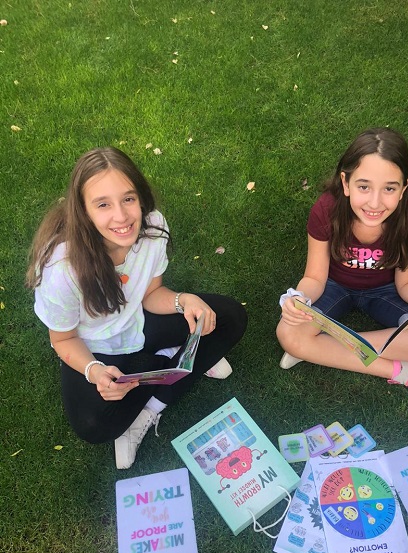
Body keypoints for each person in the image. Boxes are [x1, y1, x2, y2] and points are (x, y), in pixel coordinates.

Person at [27, 147, 247, 468]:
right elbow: (63, 340)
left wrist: (182, 300)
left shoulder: (153, 227)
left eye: (128, 199)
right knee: (93, 425)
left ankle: (154, 402)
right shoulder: (61, 268)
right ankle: (171, 360)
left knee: (230, 318)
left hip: (141, 321)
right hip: (96, 348)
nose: (121, 216)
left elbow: (151, 293)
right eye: (103, 204)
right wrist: (94, 371)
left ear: (140, 197)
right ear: (83, 211)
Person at [277, 127, 408, 406]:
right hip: (333, 286)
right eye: (364, 186)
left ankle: (319, 348)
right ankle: (401, 371)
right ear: (346, 182)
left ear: (404, 188)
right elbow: (314, 276)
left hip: (385, 291)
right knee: (288, 332)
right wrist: (298, 299)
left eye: (389, 188)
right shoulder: (326, 210)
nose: (375, 203)